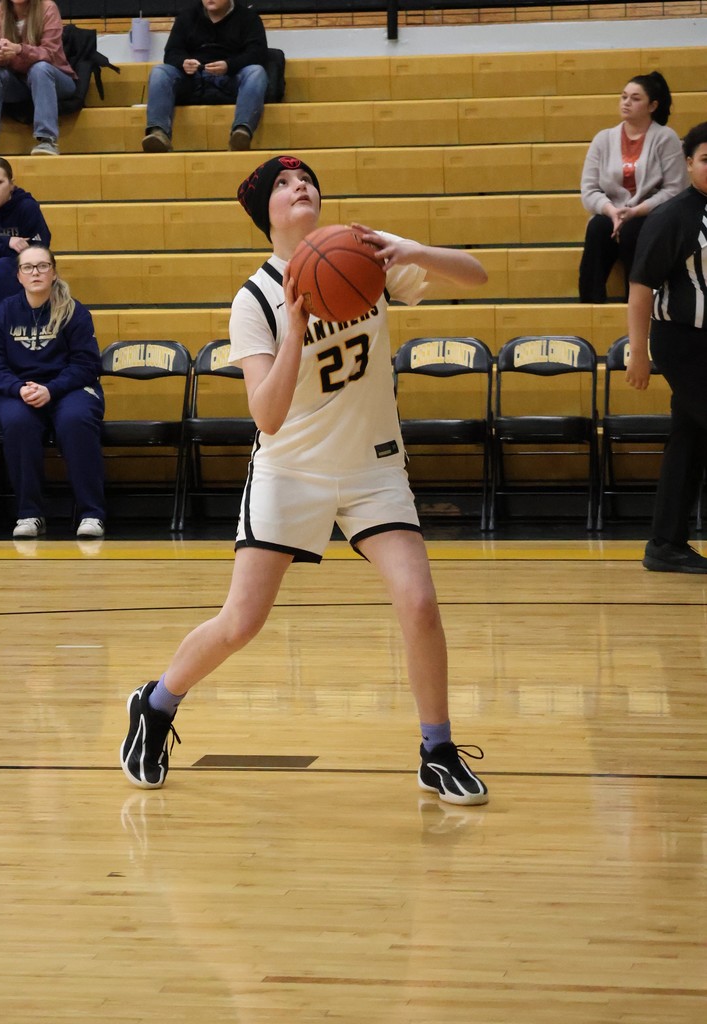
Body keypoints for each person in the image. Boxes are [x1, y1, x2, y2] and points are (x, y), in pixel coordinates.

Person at [120, 154, 490, 805]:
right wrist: (295, 329)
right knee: (241, 622)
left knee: (420, 603)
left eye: (306, 180)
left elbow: (478, 276)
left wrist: (413, 249)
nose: (301, 188)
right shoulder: (253, 299)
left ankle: (436, 750)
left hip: (372, 465)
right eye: (285, 184)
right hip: (290, 471)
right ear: (264, 211)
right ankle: (155, 703)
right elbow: (265, 413)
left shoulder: (363, 254)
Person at [626, 121, 707, 574]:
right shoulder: (673, 216)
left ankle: (665, 544)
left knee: (690, 441)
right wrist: (639, 352)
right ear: (689, 163)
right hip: (685, 344)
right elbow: (640, 288)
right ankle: (665, 543)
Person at [0, 244, 105, 539]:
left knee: (75, 420)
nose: (35, 272)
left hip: (68, 388)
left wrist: (51, 389)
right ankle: (30, 514)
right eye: (28, 267)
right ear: (19, 276)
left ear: (53, 272)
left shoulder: (74, 311)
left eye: (42, 266)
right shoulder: (3, 314)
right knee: (17, 422)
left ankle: (92, 513)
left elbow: (87, 364)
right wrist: (18, 388)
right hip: (19, 391)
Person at [579, 71, 687, 303]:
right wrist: (612, 211)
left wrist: (635, 211)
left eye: (635, 98)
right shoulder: (603, 138)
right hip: (612, 212)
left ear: (652, 105)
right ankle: (590, 305)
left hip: (650, 214)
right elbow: (589, 190)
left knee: (634, 231)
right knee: (597, 228)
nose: (626, 103)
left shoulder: (666, 138)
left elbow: (675, 190)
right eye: (624, 96)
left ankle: (636, 304)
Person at [141, 0, 268, 155]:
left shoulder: (249, 18)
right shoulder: (187, 17)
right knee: (160, 71)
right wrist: (183, 63)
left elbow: (258, 53)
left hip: (230, 79)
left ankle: (242, 132)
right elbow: (171, 52)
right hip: (192, 79)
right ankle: (158, 133)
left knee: (256, 72)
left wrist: (229, 65)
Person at [0, 0, 77, 157]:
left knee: (40, 69)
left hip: (55, 79)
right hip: (20, 84)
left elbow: (50, 54)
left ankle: (47, 140)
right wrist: (0, 55)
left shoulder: (47, 8)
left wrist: (19, 50)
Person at [0, 156, 51, 310]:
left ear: (11, 185)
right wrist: (7, 241)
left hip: (20, 273)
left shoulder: (26, 207)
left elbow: (40, 252)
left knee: (2, 267)